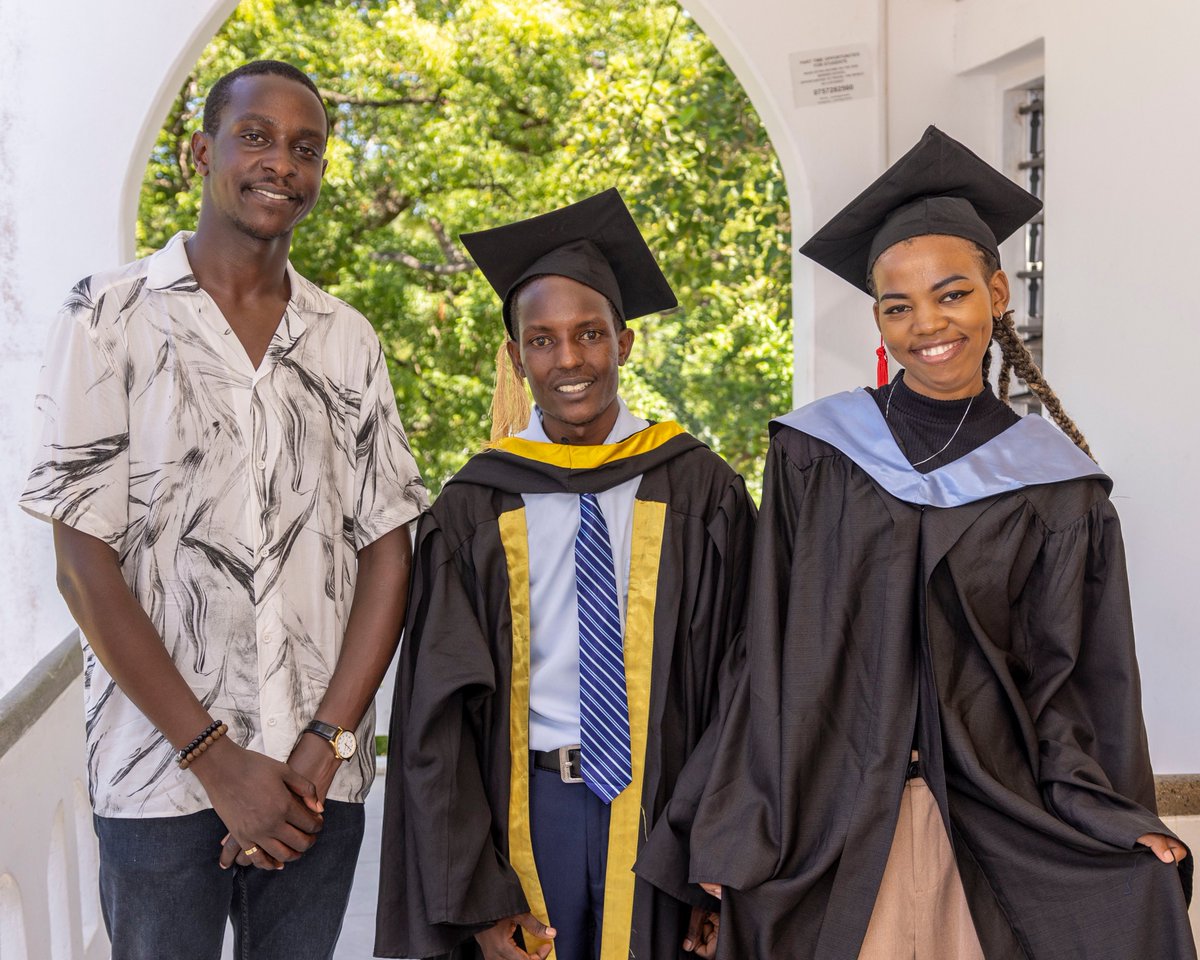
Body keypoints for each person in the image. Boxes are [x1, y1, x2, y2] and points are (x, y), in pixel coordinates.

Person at [634, 126, 1195, 959]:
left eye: (952, 294)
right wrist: (736, 817)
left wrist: (1105, 815)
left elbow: (1074, 681)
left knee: (1130, 898)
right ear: (878, 321)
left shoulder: (1054, 485)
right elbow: (766, 650)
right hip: (827, 816)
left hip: (993, 816)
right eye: (899, 306)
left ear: (997, 294)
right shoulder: (815, 453)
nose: (927, 323)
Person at [19, 60, 427, 958]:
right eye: (256, 137)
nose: (282, 161)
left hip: (316, 786)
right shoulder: (105, 316)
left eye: (305, 148)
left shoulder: (346, 340)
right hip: (155, 778)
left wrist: (325, 741)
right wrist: (213, 758)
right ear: (201, 151)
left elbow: (388, 554)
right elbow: (84, 562)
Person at [374, 188, 753, 960]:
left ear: (625, 341)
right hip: (527, 805)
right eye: (542, 341)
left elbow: (747, 679)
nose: (569, 359)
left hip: (665, 812)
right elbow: (436, 714)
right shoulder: (474, 506)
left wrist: (715, 859)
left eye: (589, 334)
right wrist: (475, 893)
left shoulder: (701, 488)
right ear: (517, 357)